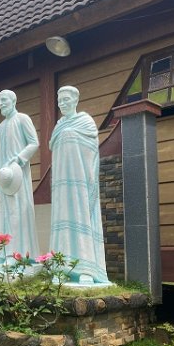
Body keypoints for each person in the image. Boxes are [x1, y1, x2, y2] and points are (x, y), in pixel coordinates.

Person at [49, 85, 109, 284]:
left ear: (75, 100)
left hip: (79, 184)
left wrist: (71, 136)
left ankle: (86, 270)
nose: (62, 104)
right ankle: (61, 267)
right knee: (62, 222)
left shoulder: (86, 122)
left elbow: (92, 149)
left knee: (81, 219)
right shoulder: (58, 126)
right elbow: (54, 148)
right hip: (62, 186)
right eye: (60, 101)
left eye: (66, 99)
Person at [0, 89, 40, 262]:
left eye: (4, 100)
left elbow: (34, 143)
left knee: (18, 213)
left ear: (13, 101)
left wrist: (20, 159)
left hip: (19, 176)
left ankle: (19, 252)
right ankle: (5, 251)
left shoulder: (22, 119)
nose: (1, 104)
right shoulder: (1, 127)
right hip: (4, 178)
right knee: (5, 214)